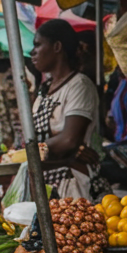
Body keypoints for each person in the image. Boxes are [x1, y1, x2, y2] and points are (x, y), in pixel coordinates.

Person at [30, 19, 101, 199]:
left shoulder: (79, 86)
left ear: (57, 47)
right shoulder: (44, 91)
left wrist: (30, 152)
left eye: (38, 45)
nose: (33, 52)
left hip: (71, 184)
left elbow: (69, 140)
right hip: (44, 181)